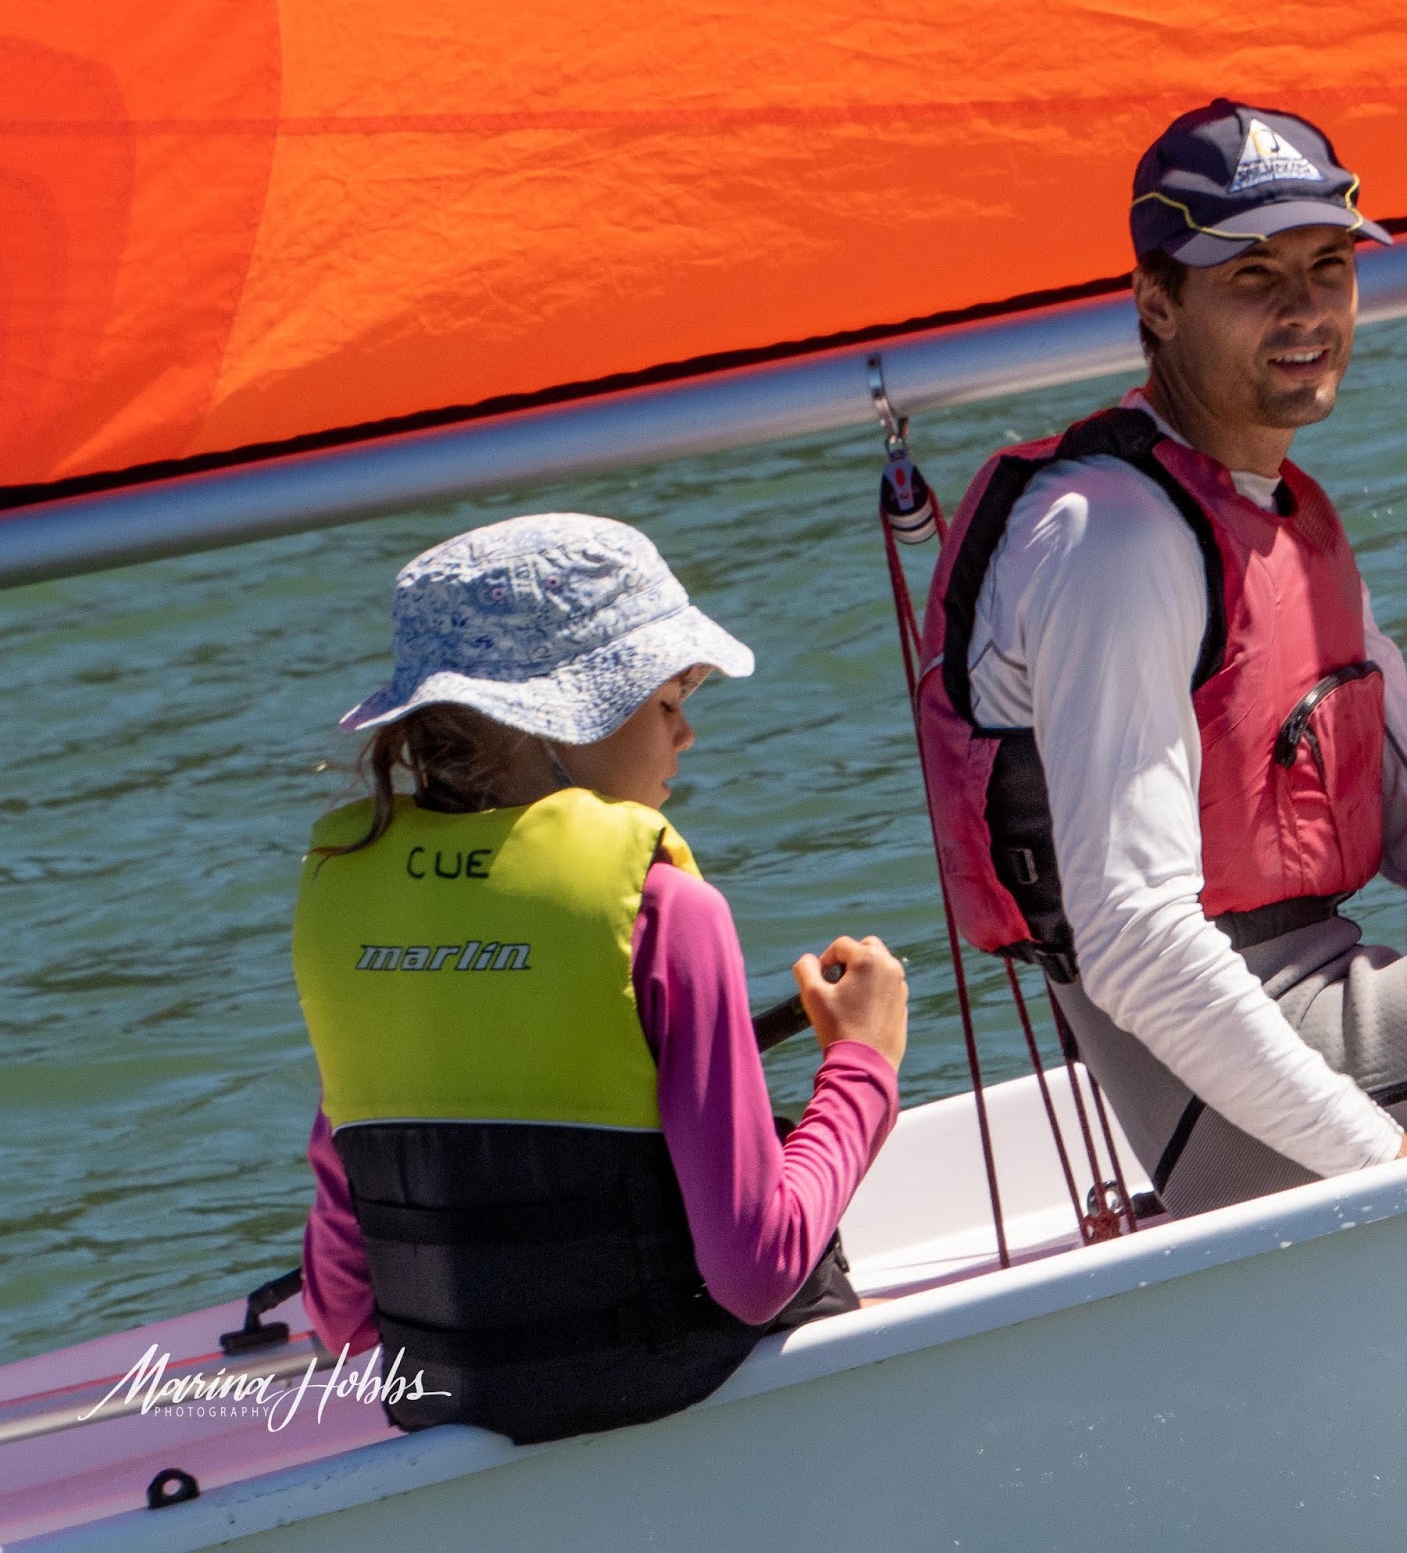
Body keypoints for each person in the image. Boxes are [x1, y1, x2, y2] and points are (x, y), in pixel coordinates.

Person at [294, 512, 907, 1443]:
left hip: (464, 1419)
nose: (687, 733)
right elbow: (755, 1272)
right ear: (555, 725)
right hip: (681, 1405)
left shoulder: (348, 902)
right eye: (668, 698)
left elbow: (343, 1315)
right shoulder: (664, 909)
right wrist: (861, 1062)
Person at [918, 98, 1407, 1218]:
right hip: (1235, 1075)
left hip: (1327, 999)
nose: (1305, 309)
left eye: (1329, 266)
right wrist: (1377, 1165)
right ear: (1157, 303)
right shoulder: (1116, 538)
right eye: (1250, 276)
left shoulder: (1282, 514)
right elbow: (1136, 942)